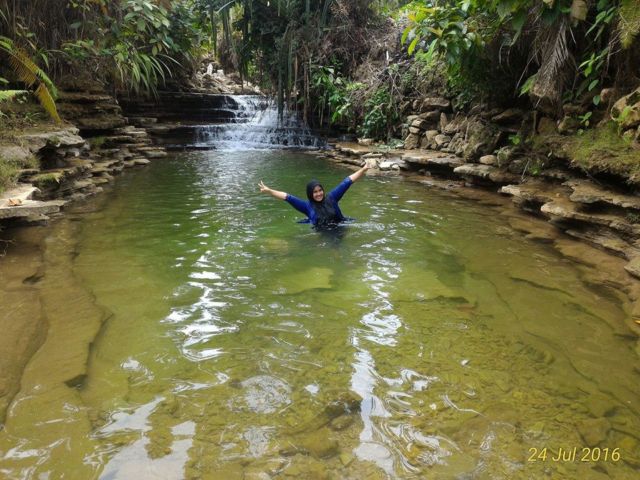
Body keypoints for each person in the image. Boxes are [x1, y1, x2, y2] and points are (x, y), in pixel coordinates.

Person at [259, 165, 370, 228]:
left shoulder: (332, 197)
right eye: (315, 192)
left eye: (320, 190)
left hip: (340, 227)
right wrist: (269, 191)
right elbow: (288, 197)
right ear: (310, 194)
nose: (318, 194)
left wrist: (363, 170)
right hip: (322, 232)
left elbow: (347, 182)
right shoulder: (307, 206)